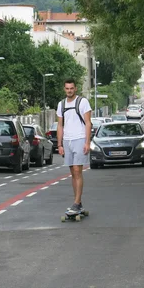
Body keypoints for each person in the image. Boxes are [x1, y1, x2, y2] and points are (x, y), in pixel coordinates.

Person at [56, 79, 92, 214]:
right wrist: (59, 144)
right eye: (67, 88)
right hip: (67, 140)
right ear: (64, 89)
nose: (69, 91)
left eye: (71, 88)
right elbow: (60, 125)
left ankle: (76, 203)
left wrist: (87, 142)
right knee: (72, 173)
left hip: (80, 138)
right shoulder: (61, 104)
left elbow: (88, 123)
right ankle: (78, 202)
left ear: (75, 89)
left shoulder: (83, 102)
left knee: (77, 170)